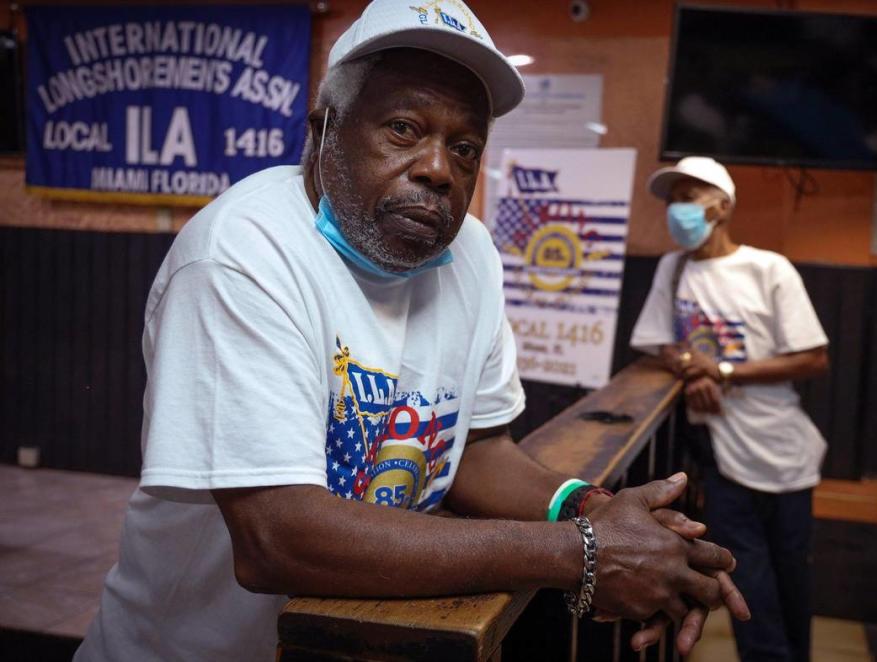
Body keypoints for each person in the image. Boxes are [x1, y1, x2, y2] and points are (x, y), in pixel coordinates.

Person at [75, 4, 749, 660]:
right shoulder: (243, 253)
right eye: (403, 129)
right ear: (323, 131)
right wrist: (585, 553)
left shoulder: (473, 254)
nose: (437, 168)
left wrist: (597, 511)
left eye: (464, 148)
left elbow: (476, 453)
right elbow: (277, 537)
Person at [630, 156, 830, 661]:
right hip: (719, 451)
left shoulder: (767, 269)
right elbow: (657, 342)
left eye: (689, 197)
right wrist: (689, 366)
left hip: (781, 450)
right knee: (747, 577)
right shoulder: (673, 268)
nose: (678, 209)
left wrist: (720, 372)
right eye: (673, 199)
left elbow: (813, 357)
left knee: (791, 575)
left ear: (722, 206)